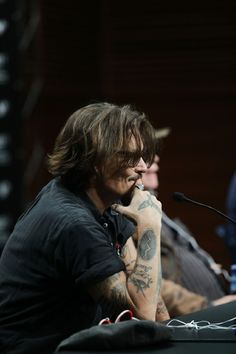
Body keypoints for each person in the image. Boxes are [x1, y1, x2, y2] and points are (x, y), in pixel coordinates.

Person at [0, 102, 169, 354]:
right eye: (130, 157)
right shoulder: (73, 223)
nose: (143, 166)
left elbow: (150, 300)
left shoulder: (102, 201)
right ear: (95, 161)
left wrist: (172, 331)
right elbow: (141, 321)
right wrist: (149, 227)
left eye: (143, 156)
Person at [142, 129, 236, 317]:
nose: (157, 159)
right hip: (195, 322)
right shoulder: (129, 218)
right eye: (146, 154)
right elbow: (145, 283)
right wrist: (207, 306)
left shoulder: (159, 213)